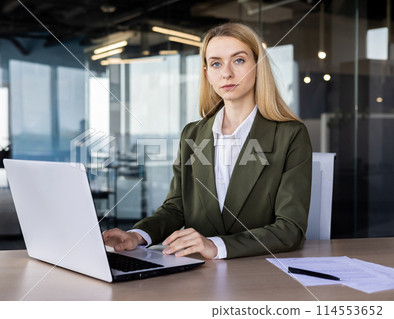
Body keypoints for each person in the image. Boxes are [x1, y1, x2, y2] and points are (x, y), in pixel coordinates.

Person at [103, 22, 312, 260]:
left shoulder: (290, 135)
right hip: (198, 270)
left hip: (259, 270)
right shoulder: (192, 134)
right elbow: (175, 208)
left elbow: (290, 229)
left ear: (258, 66)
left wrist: (216, 246)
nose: (226, 73)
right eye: (216, 63)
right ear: (207, 74)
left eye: (239, 60)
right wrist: (137, 235)